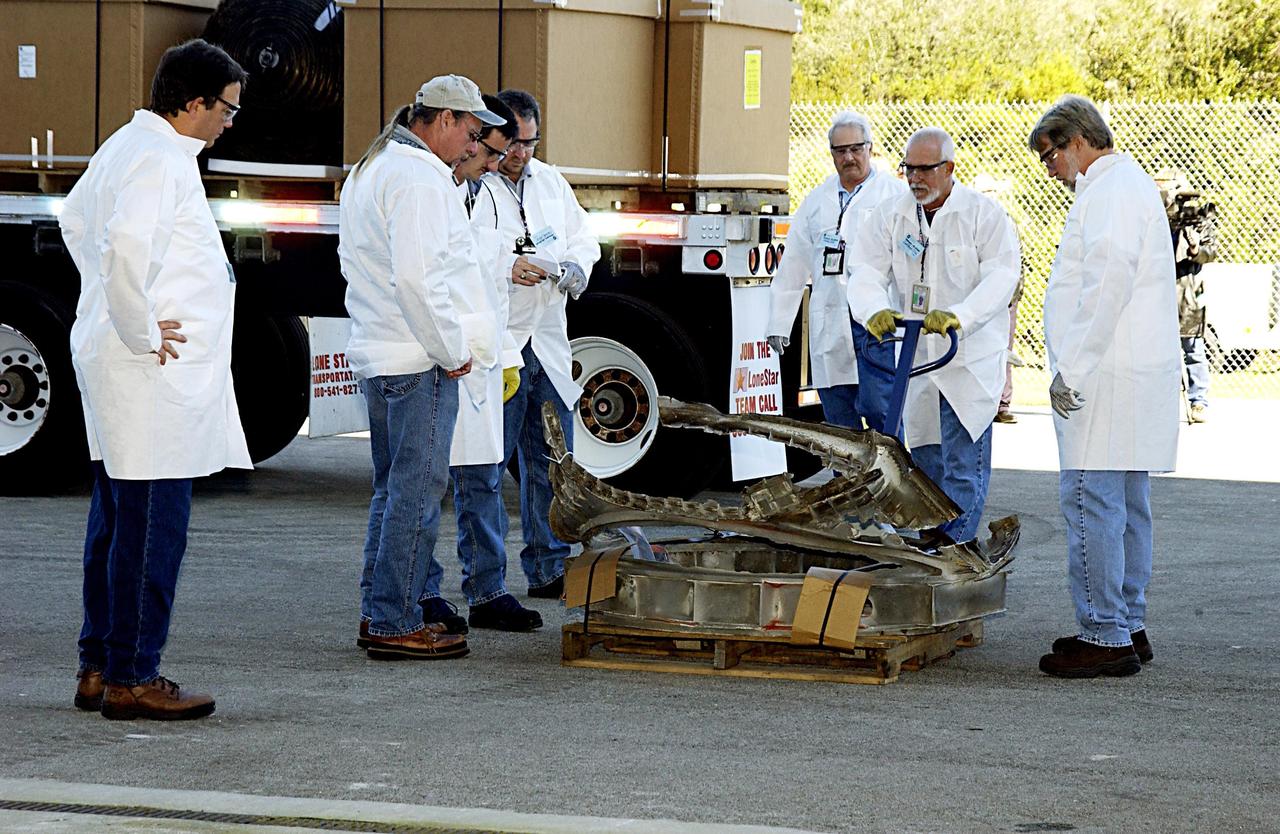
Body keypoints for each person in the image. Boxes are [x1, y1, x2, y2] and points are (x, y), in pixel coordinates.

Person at [58, 39, 251, 720]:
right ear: (193, 102)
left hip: (131, 363)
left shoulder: (130, 148)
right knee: (150, 528)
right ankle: (132, 676)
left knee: (116, 521)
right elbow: (124, 247)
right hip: (148, 371)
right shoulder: (159, 160)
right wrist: (139, 325)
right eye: (226, 108)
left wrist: (116, 311)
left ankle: (99, 664)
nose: (230, 121)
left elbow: (76, 220)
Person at [340, 74, 505, 660]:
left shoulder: (376, 166)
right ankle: (392, 620)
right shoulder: (416, 177)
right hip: (417, 359)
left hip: (385, 352)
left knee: (393, 491)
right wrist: (452, 351)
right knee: (415, 492)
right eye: (472, 130)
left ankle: (382, 607)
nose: (475, 143)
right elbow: (418, 278)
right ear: (442, 119)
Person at [1031, 95, 1180, 678]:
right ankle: (1126, 620)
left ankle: (1105, 631)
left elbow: (1105, 284)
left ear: (1077, 142)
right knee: (1124, 505)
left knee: (1091, 500)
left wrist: (1074, 366)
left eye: (1050, 154)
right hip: (1126, 374)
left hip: (1105, 375)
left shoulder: (1111, 193)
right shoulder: (1126, 187)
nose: (1050, 168)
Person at [845, 127, 1020, 543]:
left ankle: (952, 546)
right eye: (909, 168)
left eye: (926, 169)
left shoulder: (983, 214)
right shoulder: (891, 214)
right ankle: (931, 539)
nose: (915, 178)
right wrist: (873, 309)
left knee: (963, 461)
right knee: (924, 458)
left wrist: (961, 315)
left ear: (950, 168)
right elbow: (865, 269)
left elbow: (1002, 276)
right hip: (920, 356)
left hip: (968, 359)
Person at [421, 94, 543, 633]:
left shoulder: (474, 187)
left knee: (484, 478)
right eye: (488, 150)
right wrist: (457, 349)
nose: (494, 163)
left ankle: (488, 590)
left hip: (482, 355)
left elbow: (483, 259)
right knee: (422, 486)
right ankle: (421, 592)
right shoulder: (429, 185)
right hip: (440, 355)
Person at [486, 88, 601, 600]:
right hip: (503, 344)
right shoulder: (478, 185)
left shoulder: (550, 182)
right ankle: (486, 583)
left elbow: (583, 236)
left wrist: (577, 265)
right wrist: (505, 266)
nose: (521, 153)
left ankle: (549, 567)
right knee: (488, 469)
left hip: (548, 344)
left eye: (531, 143)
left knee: (554, 464)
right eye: (514, 142)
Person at [766, 111, 907, 430]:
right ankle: (847, 479)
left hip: (875, 321)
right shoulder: (817, 201)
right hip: (830, 319)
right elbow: (794, 263)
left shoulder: (894, 196)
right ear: (831, 154)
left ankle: (887, 479)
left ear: (870, 148)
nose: (849, 157)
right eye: (840, 151)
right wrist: (779, 322)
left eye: (856, 148)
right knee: (838, 416)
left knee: (880, 409)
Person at [1155, 170, 1217, 424]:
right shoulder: (1154, 217)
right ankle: (1161, 400)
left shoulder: (1198, 218)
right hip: (1157, 289)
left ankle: (1198, 401)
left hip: (1187, 290)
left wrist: (1194, 248)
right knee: (1158, 350)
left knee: (1193, 348)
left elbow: (1209, 252)